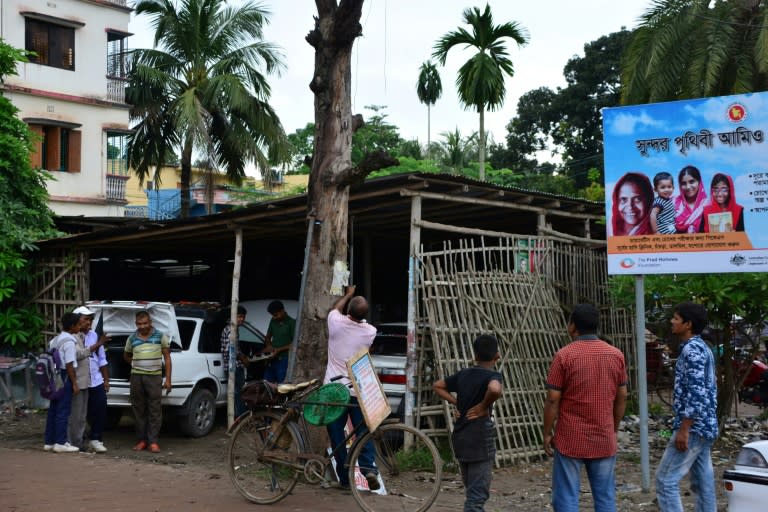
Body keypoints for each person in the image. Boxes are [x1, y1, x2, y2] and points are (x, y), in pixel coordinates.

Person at [543, 304, 628, 512]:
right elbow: (622, 396)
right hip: (603, 436)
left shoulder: (564, 356)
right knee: (606, 497)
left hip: (570, 437)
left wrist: (547, 433)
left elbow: (553, 400)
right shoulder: (616, 355)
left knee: (566, 497)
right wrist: (613, 428)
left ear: (572, 326)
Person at [655, 302, 718, 512]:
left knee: (665, 480)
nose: (672, 322)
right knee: (703, 484)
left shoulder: (692, 351)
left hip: (693, 427)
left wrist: (684, 428)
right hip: (706, 425)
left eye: (676, 318)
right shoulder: (703, 348)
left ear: (688, 324)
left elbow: (697, 392)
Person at [433, 335, 503, 512]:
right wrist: (482, 406)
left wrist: (456, 402)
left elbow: (437, 386)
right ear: (497, 356)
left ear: (475, 356)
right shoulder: (493, 375)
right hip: (480, 441)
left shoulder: (463, 374)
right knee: (476, 498)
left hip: (461, 439)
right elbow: (495, 389)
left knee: (472, 491)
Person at [323, 285, 379, 491]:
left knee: (337, 434)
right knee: (363, 430)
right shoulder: (370, 332)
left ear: (349, 311)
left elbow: (335, 310)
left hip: (334, 390)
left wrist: (347, 294)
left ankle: (346, 479)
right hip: (357, 389)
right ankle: (368, 469)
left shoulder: (335, 323)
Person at [123, 310, 172, 453]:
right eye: (139, 324)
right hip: (136, 377)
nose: (142, 326)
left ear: (150, 322)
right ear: (136, 324)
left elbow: (167, 358)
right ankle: (142, 440)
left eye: (145, 323)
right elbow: (126, 356)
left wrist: (168, 379)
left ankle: (153, 441)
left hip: (154, 377)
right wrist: (137, 363)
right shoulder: (132, 338)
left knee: (155, 409)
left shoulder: (160, 336)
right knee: (138, 410)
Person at [72, 306, 110, 453]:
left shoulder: (95, 335)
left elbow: (102, 359)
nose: (89, 322)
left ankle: (96, 439)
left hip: (96, 379)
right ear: (77, 320)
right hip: (81, 380)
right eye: (86, 319)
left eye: (91, 319)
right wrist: (99, 343)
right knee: (80, 413)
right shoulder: (72, 337)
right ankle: (78, 440)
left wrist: (106, 380)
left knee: (100, 409)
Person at [43, 312, 81, 453]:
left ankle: (49, 441)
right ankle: (61, 442)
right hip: (64, 376)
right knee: (63, 410)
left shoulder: (55, 340)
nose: (80, 326)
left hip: (54, 377)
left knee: (53, 409)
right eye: (78, 324)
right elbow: (70, 365)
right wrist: (75, 383)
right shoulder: (70, 342)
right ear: (72, 326)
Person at [220, 305, 249, 417]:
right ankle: (241, 418)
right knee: (238, 394)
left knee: (237, 394)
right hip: (233, 367)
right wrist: (243, 358)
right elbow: (230, 350)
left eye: (243, 317)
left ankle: (239, 417)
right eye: (239, 316)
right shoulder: (230, 330)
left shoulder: (234, 329)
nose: (242, 319)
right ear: (233, 316)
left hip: (235, 366)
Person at [263, 300, 295, 384]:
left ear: (282, 311)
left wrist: (278, 350)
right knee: (267, 383)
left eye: (276, 315)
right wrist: (269, 346)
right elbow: (268, 337)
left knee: (282, 384)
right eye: (272, 315)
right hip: (272, 358)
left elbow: (294, 344)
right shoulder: (273, 320)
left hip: (284, 359)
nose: (274, 317)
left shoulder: (291, 322)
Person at [674, 165, 707, 234]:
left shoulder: (707, 204)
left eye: (692, 182)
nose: (688, 187)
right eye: (684, 183)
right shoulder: (673, 203)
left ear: (699, 182)